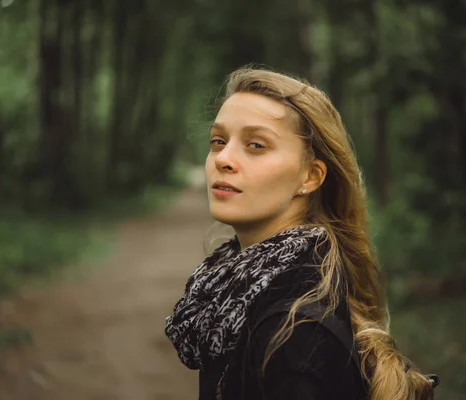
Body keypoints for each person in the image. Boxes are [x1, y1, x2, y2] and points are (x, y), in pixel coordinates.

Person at [165, 67, 439, 400]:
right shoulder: (243, 288)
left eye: (255, 145)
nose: (223, 158)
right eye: (218, 141)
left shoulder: (295, 336)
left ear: (310, 177)